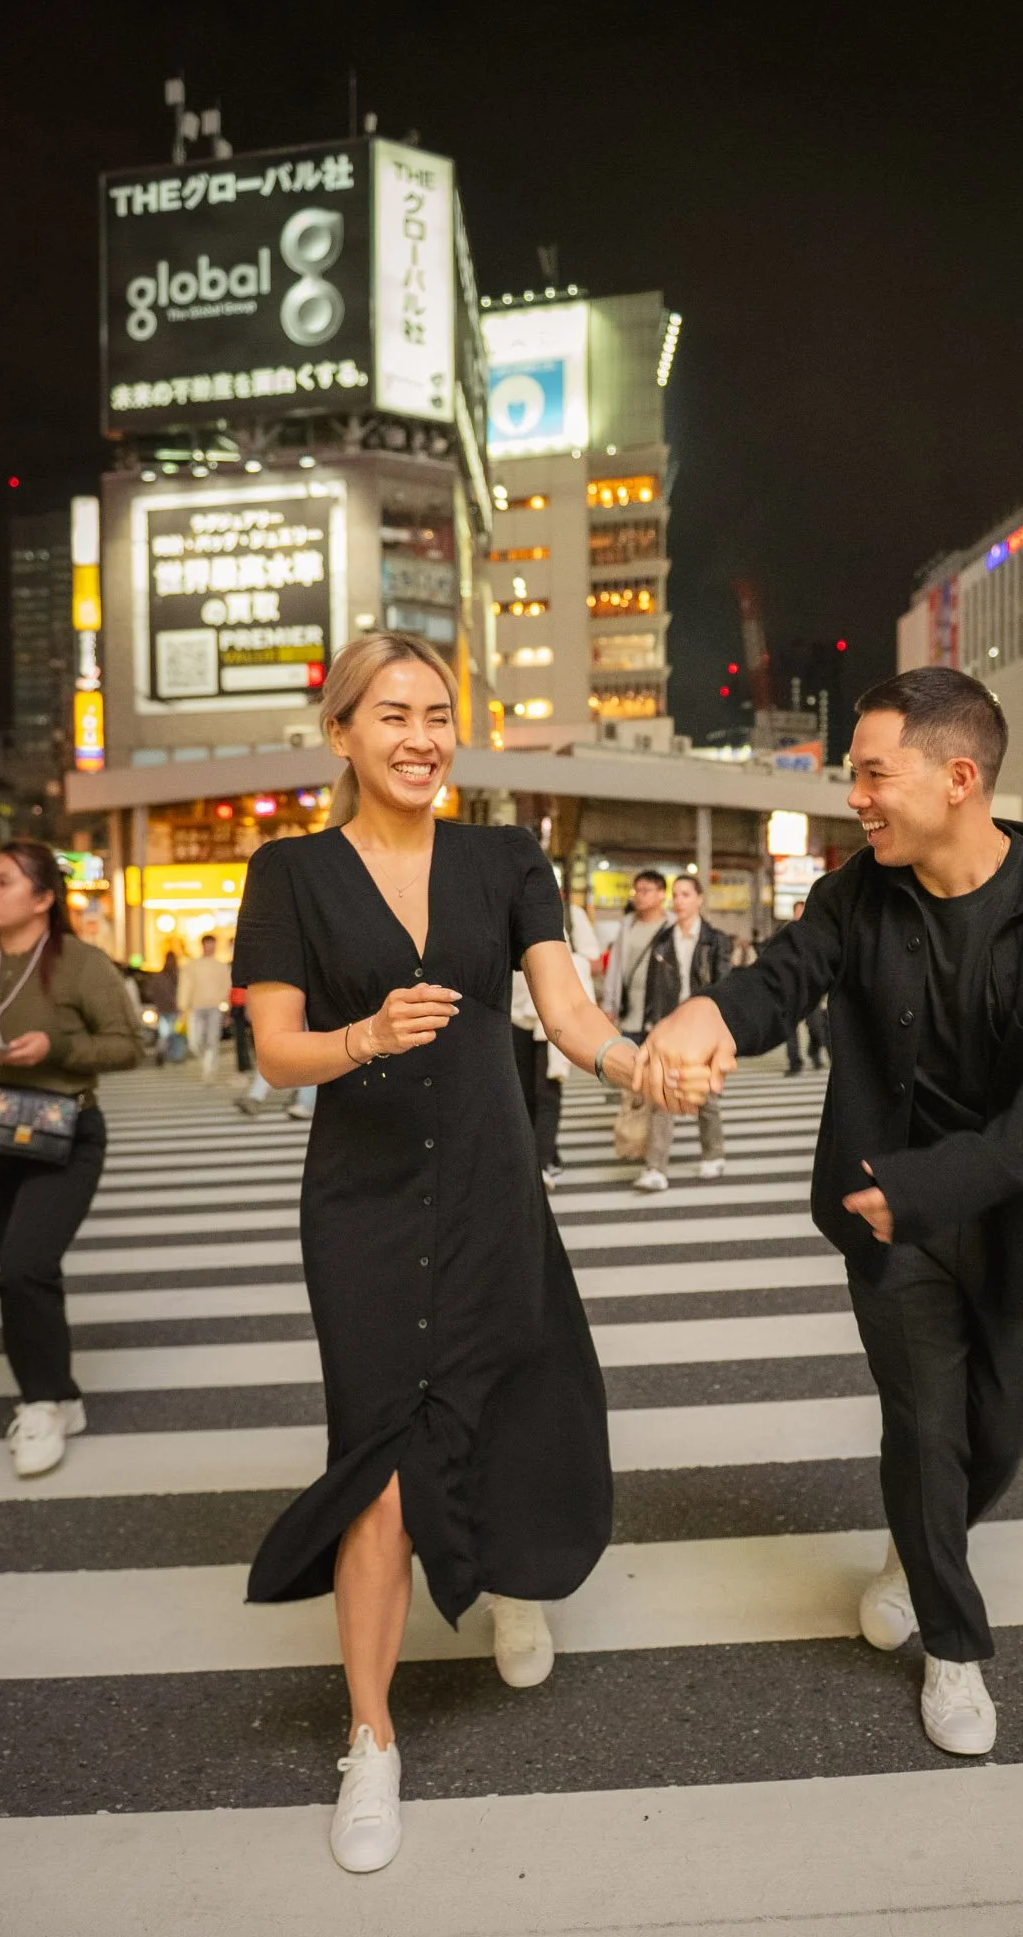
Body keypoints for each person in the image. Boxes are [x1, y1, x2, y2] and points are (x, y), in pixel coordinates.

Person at [635, 666, 1023, 1759]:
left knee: (996, 1436)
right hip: (886, 1218)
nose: (853, 795)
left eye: (870, 772)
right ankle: (952, 1648)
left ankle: (918, 1546)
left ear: (957, 777)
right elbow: (784, 978)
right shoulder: (857, 893)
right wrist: (710, 1008)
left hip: (1014, 1217)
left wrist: (932, 1184)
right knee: (925, 1427)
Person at [233, 631, 650, 1876]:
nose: (420, 736)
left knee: (504, 1396)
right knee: (376, 1462)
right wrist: (362, 1035)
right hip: (358, 1200)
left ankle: (509, 1575)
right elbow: (276, 1050)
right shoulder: (289, 872)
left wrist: (642, 1067)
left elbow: (566, 1014)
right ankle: (371, 1736)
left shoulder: (505, 857)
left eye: (438, 715)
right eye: (393, 713)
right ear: (345, 730)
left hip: (485, 1178)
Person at [0, 841, 141, 1478]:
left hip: (62, 1131)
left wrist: (52, 1046)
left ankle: (44, 1403)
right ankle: (61, 1394)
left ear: (43, 898)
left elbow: (128, 1045)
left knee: (23, 1267)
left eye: (1, 881)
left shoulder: (78, 963)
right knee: (26, 1272)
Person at [633, 873, 731, 1193]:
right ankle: (655, 1167)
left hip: (703, 1028)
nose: (679, 901)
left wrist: (721, 1024)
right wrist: (651, 1023)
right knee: (663, 1095)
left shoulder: (715, 940)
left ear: (699, 899)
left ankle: (713, 1152)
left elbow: (724, 985)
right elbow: (652, 986)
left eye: (686, 894)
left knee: (706, 1096)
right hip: (670, 1025)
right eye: (676, 895)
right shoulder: (663, 941)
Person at [512, 891, 602, 1188]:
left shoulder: (570, 915)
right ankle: (545, 1155)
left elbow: (593, 960)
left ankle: (540, 1165)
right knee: (522, 1093)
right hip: (516, 1014)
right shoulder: (507, 908)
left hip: (555, 1016)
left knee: (547, 1091)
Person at [600, 870, 670, 1042]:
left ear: (661, 894)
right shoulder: (627, 926)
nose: (639, 896)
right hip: (629, 1017)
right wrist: (609, 1005)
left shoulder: (672, 927)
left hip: (662, 1017)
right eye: (636, 891)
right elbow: (615, 968)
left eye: (645, 891)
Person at [785, 900, 830, 1074]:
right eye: (799, 911)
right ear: (794, 913)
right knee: (790, 1030)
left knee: (817, 1027)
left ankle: (814, 1052)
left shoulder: (816, 932)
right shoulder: (785, 933)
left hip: (812, 989)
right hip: (791, 988)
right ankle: (795, 1064)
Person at [180, 932, 231, 1082]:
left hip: (214, 1007)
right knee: (195, 1042)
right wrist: (182, 1006)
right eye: (208, 945)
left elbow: (227, 987)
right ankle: (207, 1063)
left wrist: (227, 1009)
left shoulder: (221, 967)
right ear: (203, 946)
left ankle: (209, 1070)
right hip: (196, 1007)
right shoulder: (192, 966)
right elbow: (185, 986)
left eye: (212, 945)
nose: (210, 948)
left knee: (212, 1039)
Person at [147, 947, 181, 1065]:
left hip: (162, 1008)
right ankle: (174, 1055)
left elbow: (150, 992)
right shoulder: (177, 975)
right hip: (174, 1008)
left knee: (164, 1032)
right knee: (175, 1033)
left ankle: (162, 1051)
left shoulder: (159, 976)